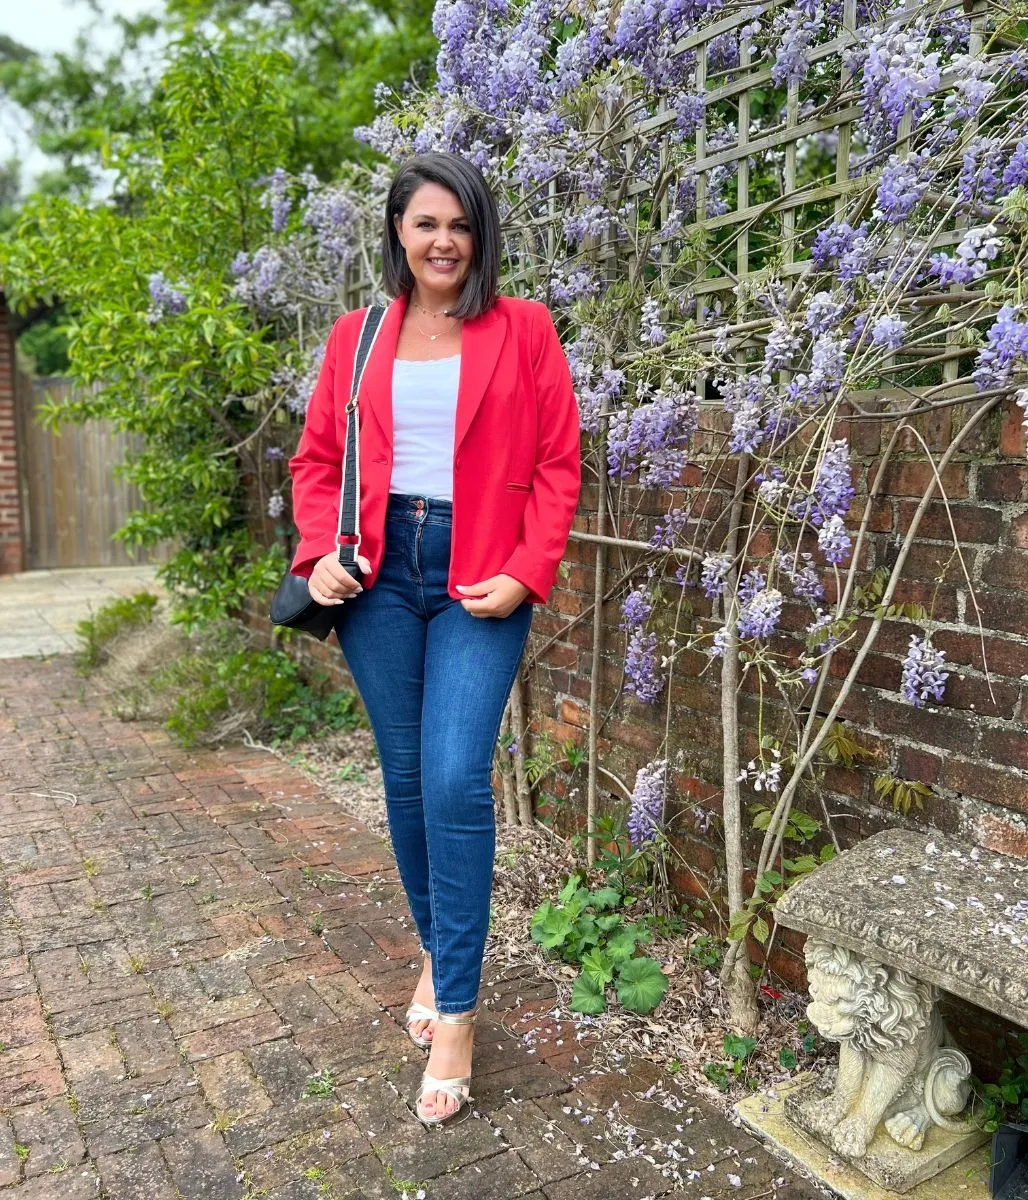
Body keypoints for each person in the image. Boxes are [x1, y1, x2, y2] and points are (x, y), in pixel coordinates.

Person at [288, 152, 581, 1125]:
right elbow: (319, 460)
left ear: (479, 233)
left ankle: (454, 1010)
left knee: (456, 777)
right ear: (398, 234)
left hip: (479, 575)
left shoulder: (523, 328)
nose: (442, 241)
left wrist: (526, 570)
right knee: (406, 777)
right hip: (376, 576)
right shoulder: (356, 336)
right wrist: (315, 556)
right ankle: (439, 951)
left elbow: (556, 461)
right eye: (424, 224)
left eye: (457, 224)